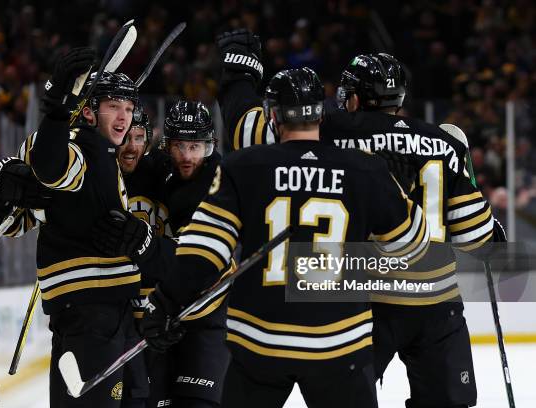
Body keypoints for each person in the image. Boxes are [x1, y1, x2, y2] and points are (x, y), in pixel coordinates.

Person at [215, 30, 504, 407]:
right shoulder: (443, 143)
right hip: (436, 304)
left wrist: (239, 75)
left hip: (365, 300)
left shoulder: (328, 131)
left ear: (352, 97)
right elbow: (477, 240)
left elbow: (248, 133)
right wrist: (493, 231)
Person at [139, 67, 430, 408]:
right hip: (340, 346)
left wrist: (166, 302)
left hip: (260, 345)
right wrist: (402, 193)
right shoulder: (364, 168)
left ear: (272, 115)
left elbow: (203, 251)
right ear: (321, 114)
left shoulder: (242, 166)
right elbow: (411, 248)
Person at [0, 47, 154, 407]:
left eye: (128, 108)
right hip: (94, 315)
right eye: (114, 106)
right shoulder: (85, 149)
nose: (124, 116)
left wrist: (0, 192)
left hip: (103, 314)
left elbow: (13, 221)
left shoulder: (103, 156)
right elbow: (50, 165)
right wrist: (57, 109)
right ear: (89, 111)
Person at [108, 100, 231, 408]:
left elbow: (197, 260)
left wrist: (147, 244)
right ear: (165, 146)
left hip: (207, 318)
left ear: (210, 145)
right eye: (179, 146)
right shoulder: (163, 174)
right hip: (165, 317)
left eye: (196, 146)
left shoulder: (220, 185)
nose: (187, 156)